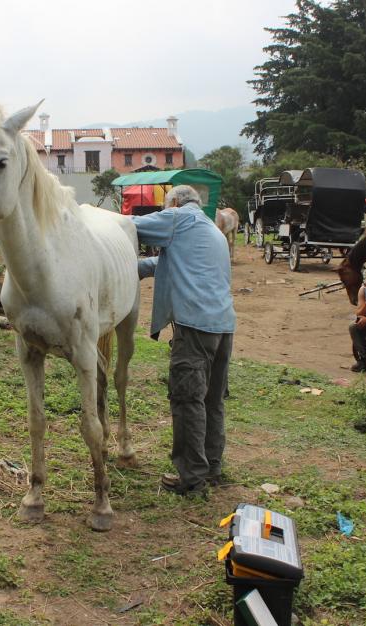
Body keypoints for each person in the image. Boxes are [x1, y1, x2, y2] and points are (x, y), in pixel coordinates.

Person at [131, 185, 236, 497]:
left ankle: (191, 477)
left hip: (195, 328)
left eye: (166, 207)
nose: (165, 212)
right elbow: (170, 263)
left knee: (187, 401)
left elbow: (128, 226)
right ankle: (212, 468)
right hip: (223, 326)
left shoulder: (177, 218)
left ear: (174, 203)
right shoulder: (210, 230)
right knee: (211, 401)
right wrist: (131, 268)